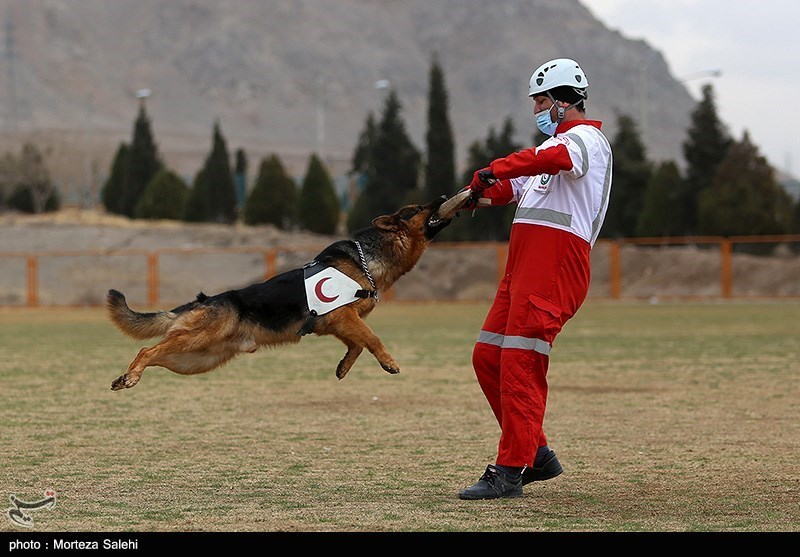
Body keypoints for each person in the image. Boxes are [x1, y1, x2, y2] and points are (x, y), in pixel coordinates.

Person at [457, 58, 613, 500]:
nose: (537, 110)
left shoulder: (586, 140)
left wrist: (499, 166)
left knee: (520, 363)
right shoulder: (546, 157)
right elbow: (515, 189)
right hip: (523, 267)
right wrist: (480, 194)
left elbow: (553, 159)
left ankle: (509, 471)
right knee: (488, 356)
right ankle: (537, 454)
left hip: (556, 266)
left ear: (564, 102)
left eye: (542, 101)